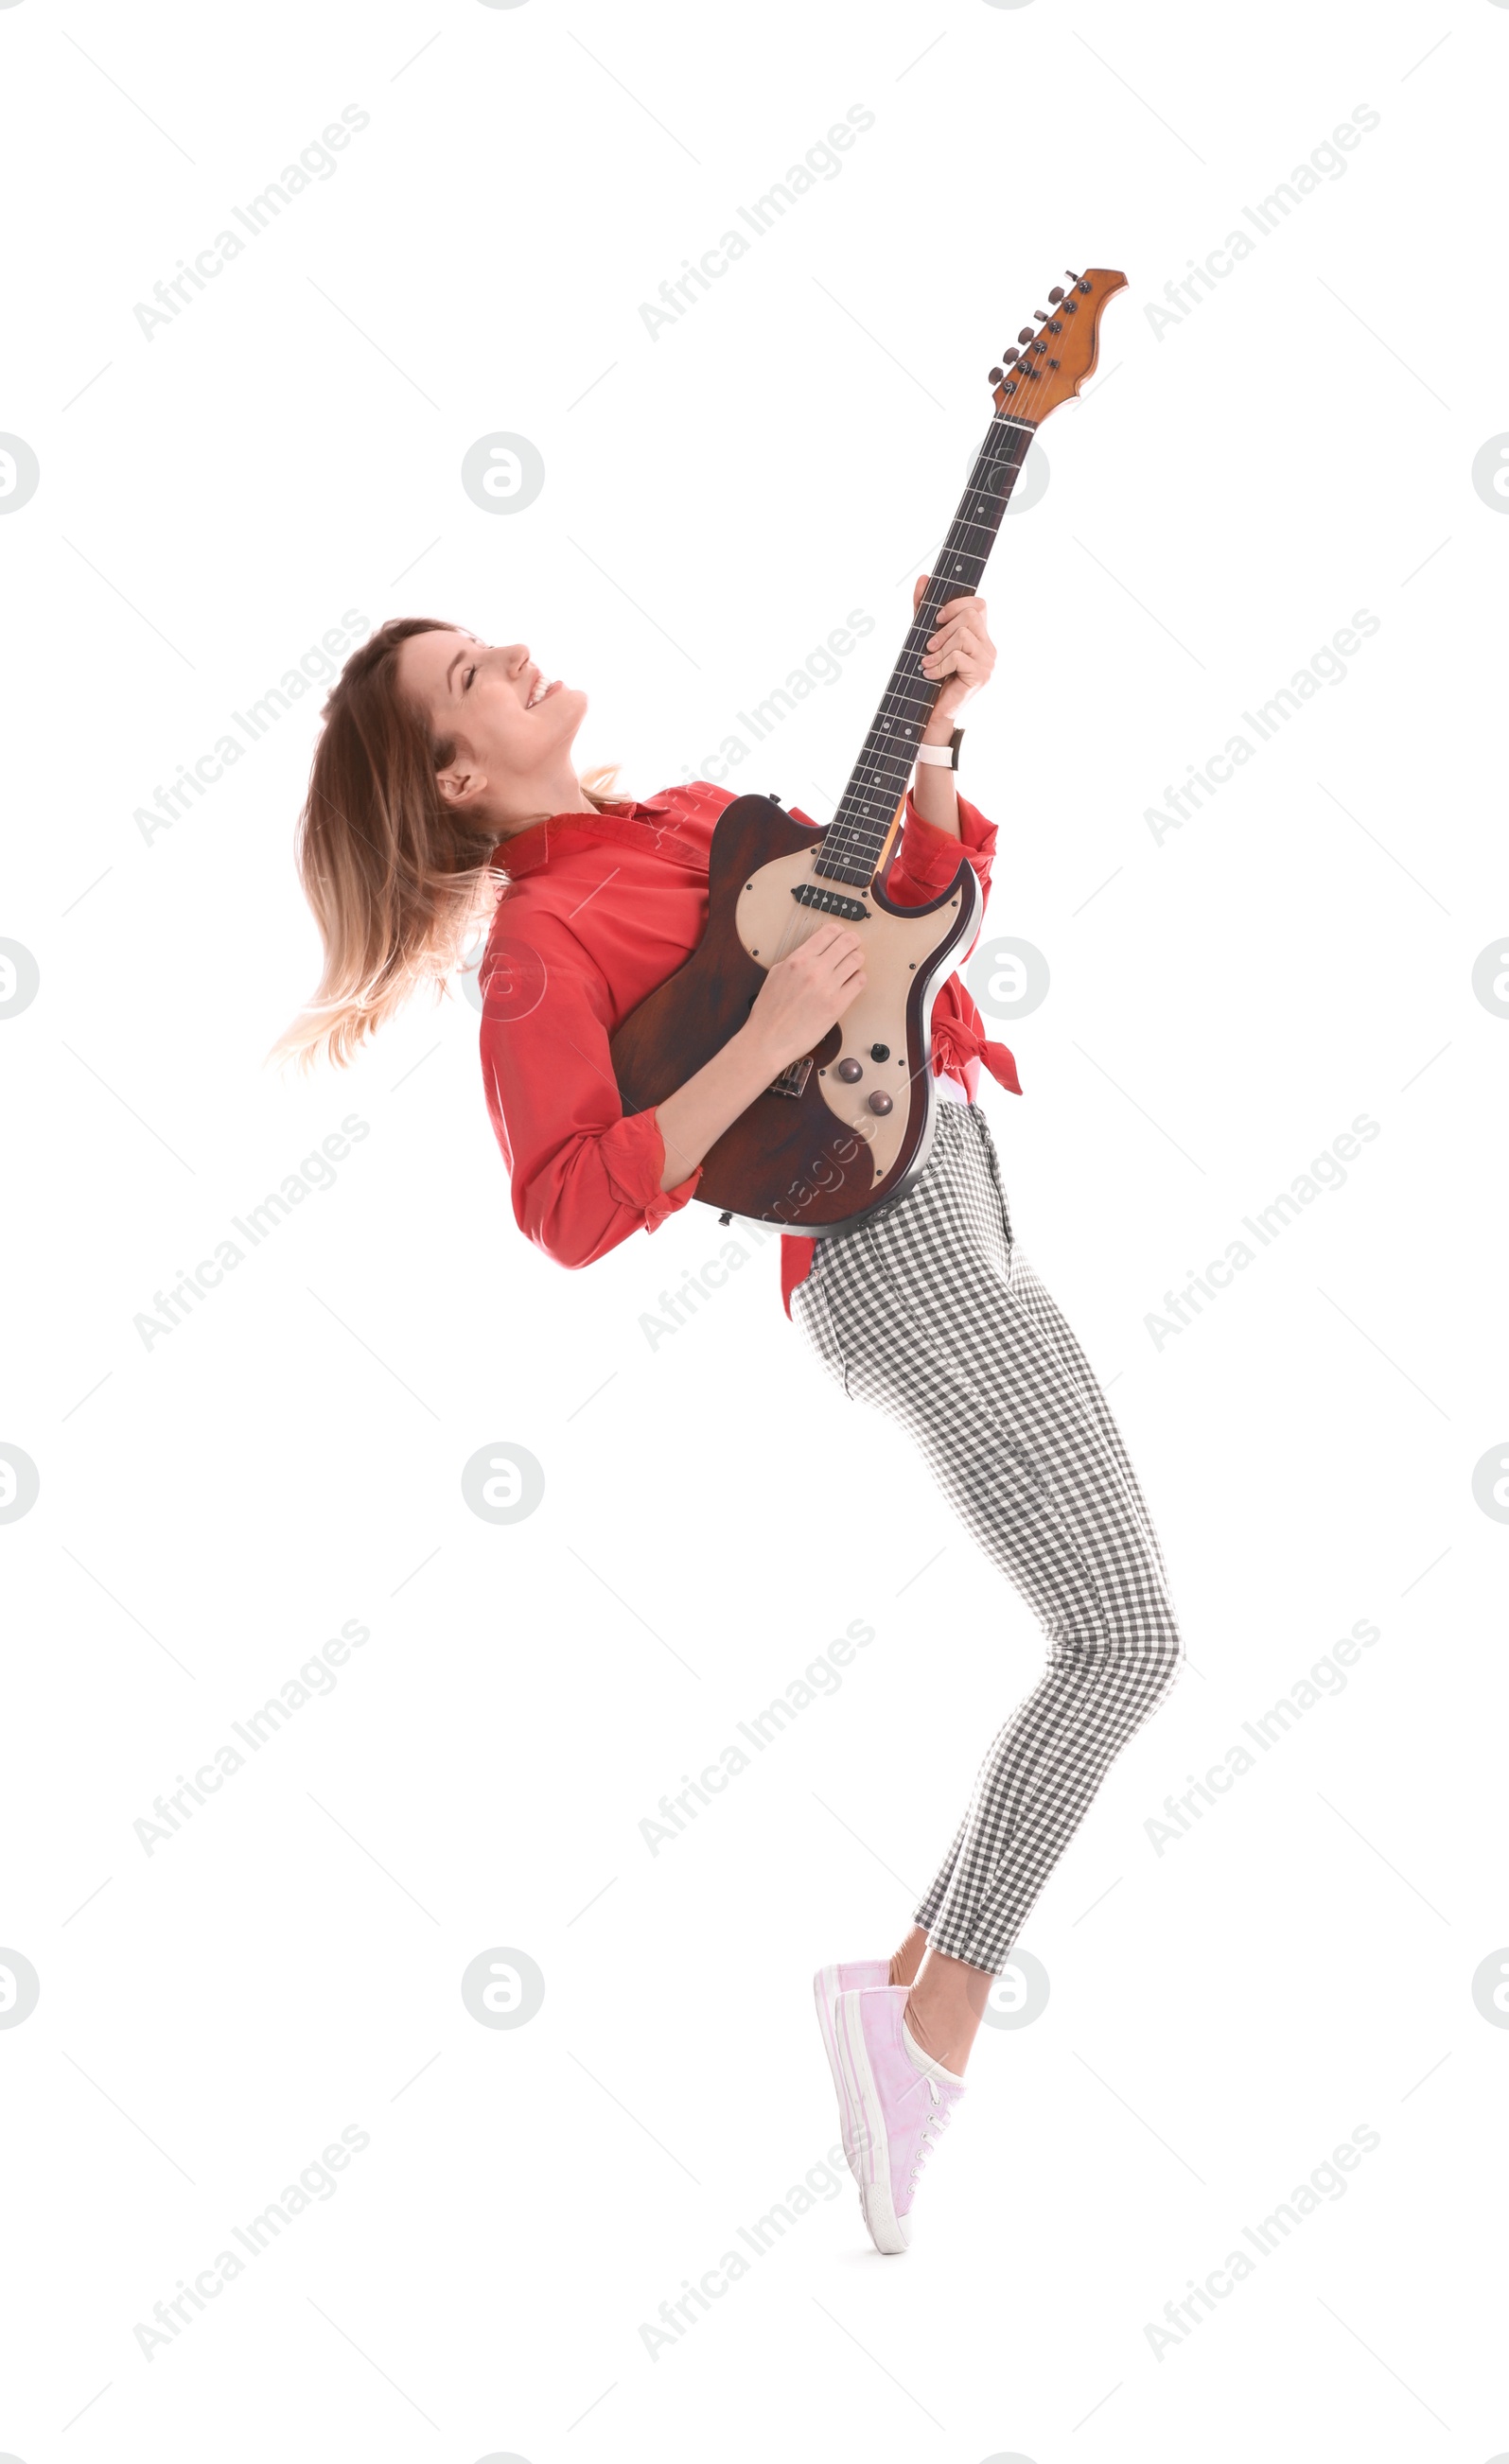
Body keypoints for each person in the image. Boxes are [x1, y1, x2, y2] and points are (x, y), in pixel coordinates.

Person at [274, 590, 1184, 2257]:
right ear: (462, 778)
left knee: (1113, 1634)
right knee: (1127, 1640)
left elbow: (910, 920)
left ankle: (896, 1990)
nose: (518, 654)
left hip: (958, 1178)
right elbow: (561, 1200)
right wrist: (762, 1035)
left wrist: (941, 731)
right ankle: (937, 2024)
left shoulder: (687, 817)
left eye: (489, 640)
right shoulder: (541, 950)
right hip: (889, 1256)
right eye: (474, 679)